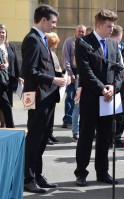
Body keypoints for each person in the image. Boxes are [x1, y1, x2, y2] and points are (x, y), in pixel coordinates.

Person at [74, 9, 123, 187]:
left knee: (105, 137)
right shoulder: (83, 43)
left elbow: (118, 70)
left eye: (113, 26)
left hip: (109, 98)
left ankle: (103, 172)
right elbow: (84, 71)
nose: (112, 29)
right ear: (99, 25)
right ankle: (81, 173)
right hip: (91, 97)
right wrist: (102, 89)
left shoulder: (113, 44)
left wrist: (114, 88)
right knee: (86, 136)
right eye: (109, 26)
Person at [22, 4, 66, 193]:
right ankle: (28, 178)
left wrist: (60, 75)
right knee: (35, 139)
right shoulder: (32, 40)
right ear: (43, 20)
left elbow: (44, 66)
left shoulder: (41, 39)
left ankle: (37, 175)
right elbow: (30, 71)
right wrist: (53, 79)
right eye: (53, 22)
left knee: (42, 140)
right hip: (39, 97)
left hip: (48, 97)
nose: (54, 26)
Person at [61, 24, 86, 134]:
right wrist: (70, 73)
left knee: (79, 98)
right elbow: (66, 57)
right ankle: (67, 119)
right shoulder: (69, 42)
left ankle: (77, 120)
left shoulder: (85, 42)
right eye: (79, 31)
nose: (81, 33)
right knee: (70, 95)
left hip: (82, 72)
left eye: (83, 32)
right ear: (75, 31)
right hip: (72, 71)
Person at [45, 31, 63, 144]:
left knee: (51, 113)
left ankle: (49, 133)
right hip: (50, 85)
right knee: (47, 115)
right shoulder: (49, 53)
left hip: (55, 86)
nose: (57, 44)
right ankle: (46, 135)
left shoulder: (53, 53)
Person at [0, 24, 17, 128]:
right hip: (1, 81)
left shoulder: (9, 46)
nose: (1, 34)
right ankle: (11, 128)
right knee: (6, 106)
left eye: (3, 32)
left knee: (6, 105)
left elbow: (13, 62)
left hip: (7, 80)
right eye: (0, 32)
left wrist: (19, 76)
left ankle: (5, 127)